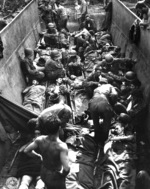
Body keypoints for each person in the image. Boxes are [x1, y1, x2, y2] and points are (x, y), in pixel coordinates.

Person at [24, 114, 70, 189]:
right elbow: (66, 168)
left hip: (43, 172)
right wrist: (62, 175)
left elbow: (26, 150)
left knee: (48, 185)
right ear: (59, 128)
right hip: (54, 176)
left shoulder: (40, 139)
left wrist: (38, 156)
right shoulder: (62, 147)